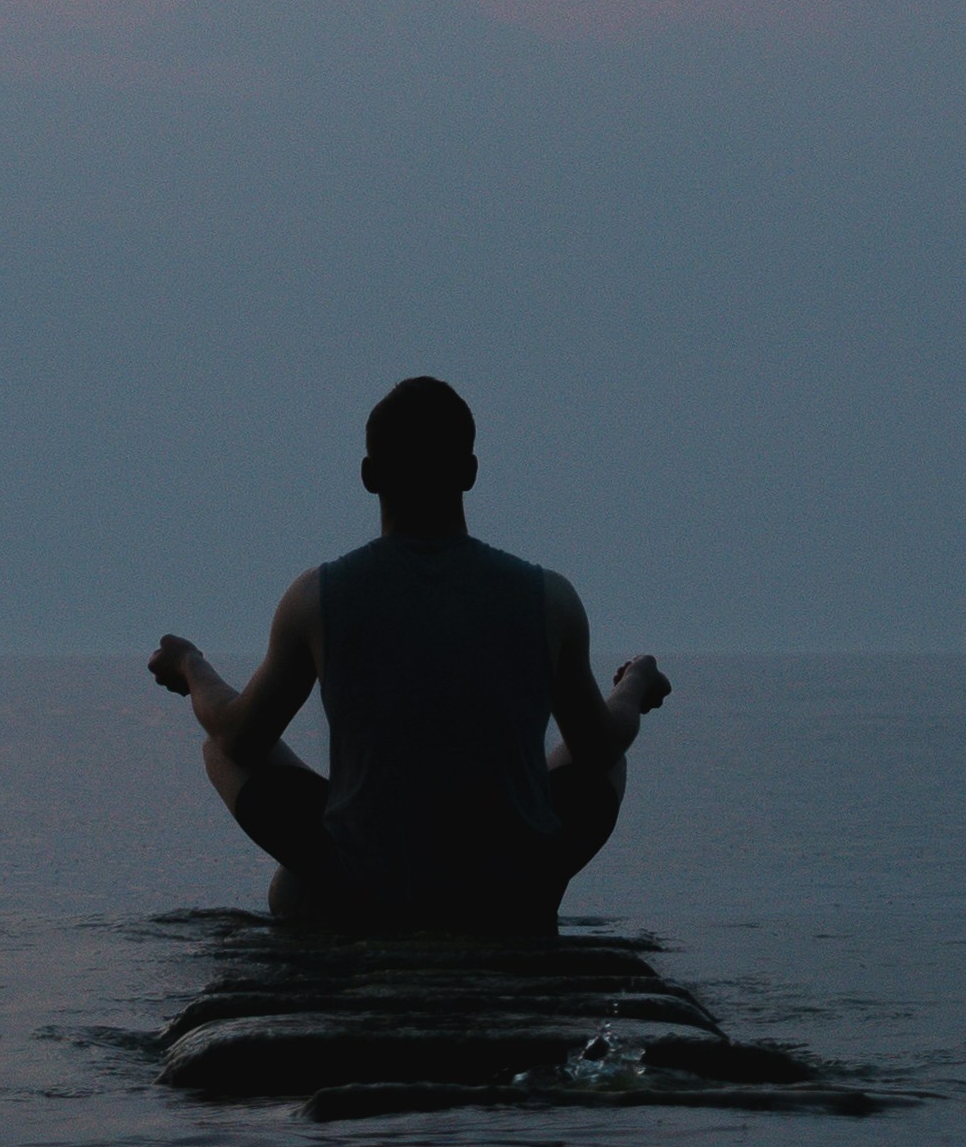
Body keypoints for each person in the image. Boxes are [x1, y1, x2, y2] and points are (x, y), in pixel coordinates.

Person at [150, 375, 670, 936]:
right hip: (514, 889)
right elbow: (600, 745)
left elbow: (239, 736)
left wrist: (191, 665)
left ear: (369, 476)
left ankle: (324, 894)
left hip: (372, 891)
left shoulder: (316, 598)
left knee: (221, 749)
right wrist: (635, 684)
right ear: (470, 473)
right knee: (606, 755)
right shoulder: (551, 599)